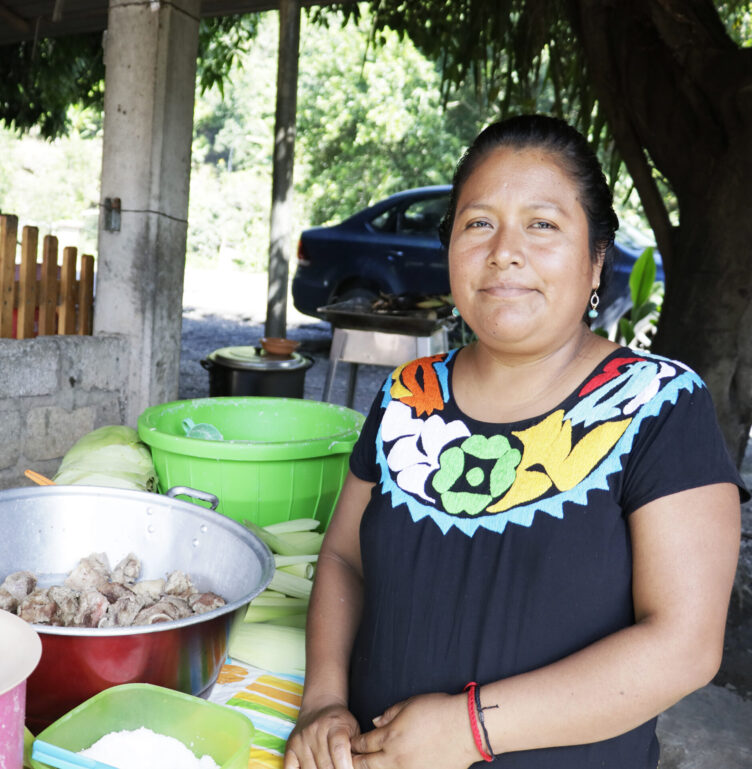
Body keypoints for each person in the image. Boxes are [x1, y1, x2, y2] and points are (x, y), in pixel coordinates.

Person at [284, 114, 745, 769]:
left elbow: (685, 643)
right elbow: (343, 560)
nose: (504, 250)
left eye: (543, 223)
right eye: (478, 223)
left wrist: (469, 731)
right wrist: (323, 699)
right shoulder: (407, 394)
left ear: (595, 262)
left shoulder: (660, 404)